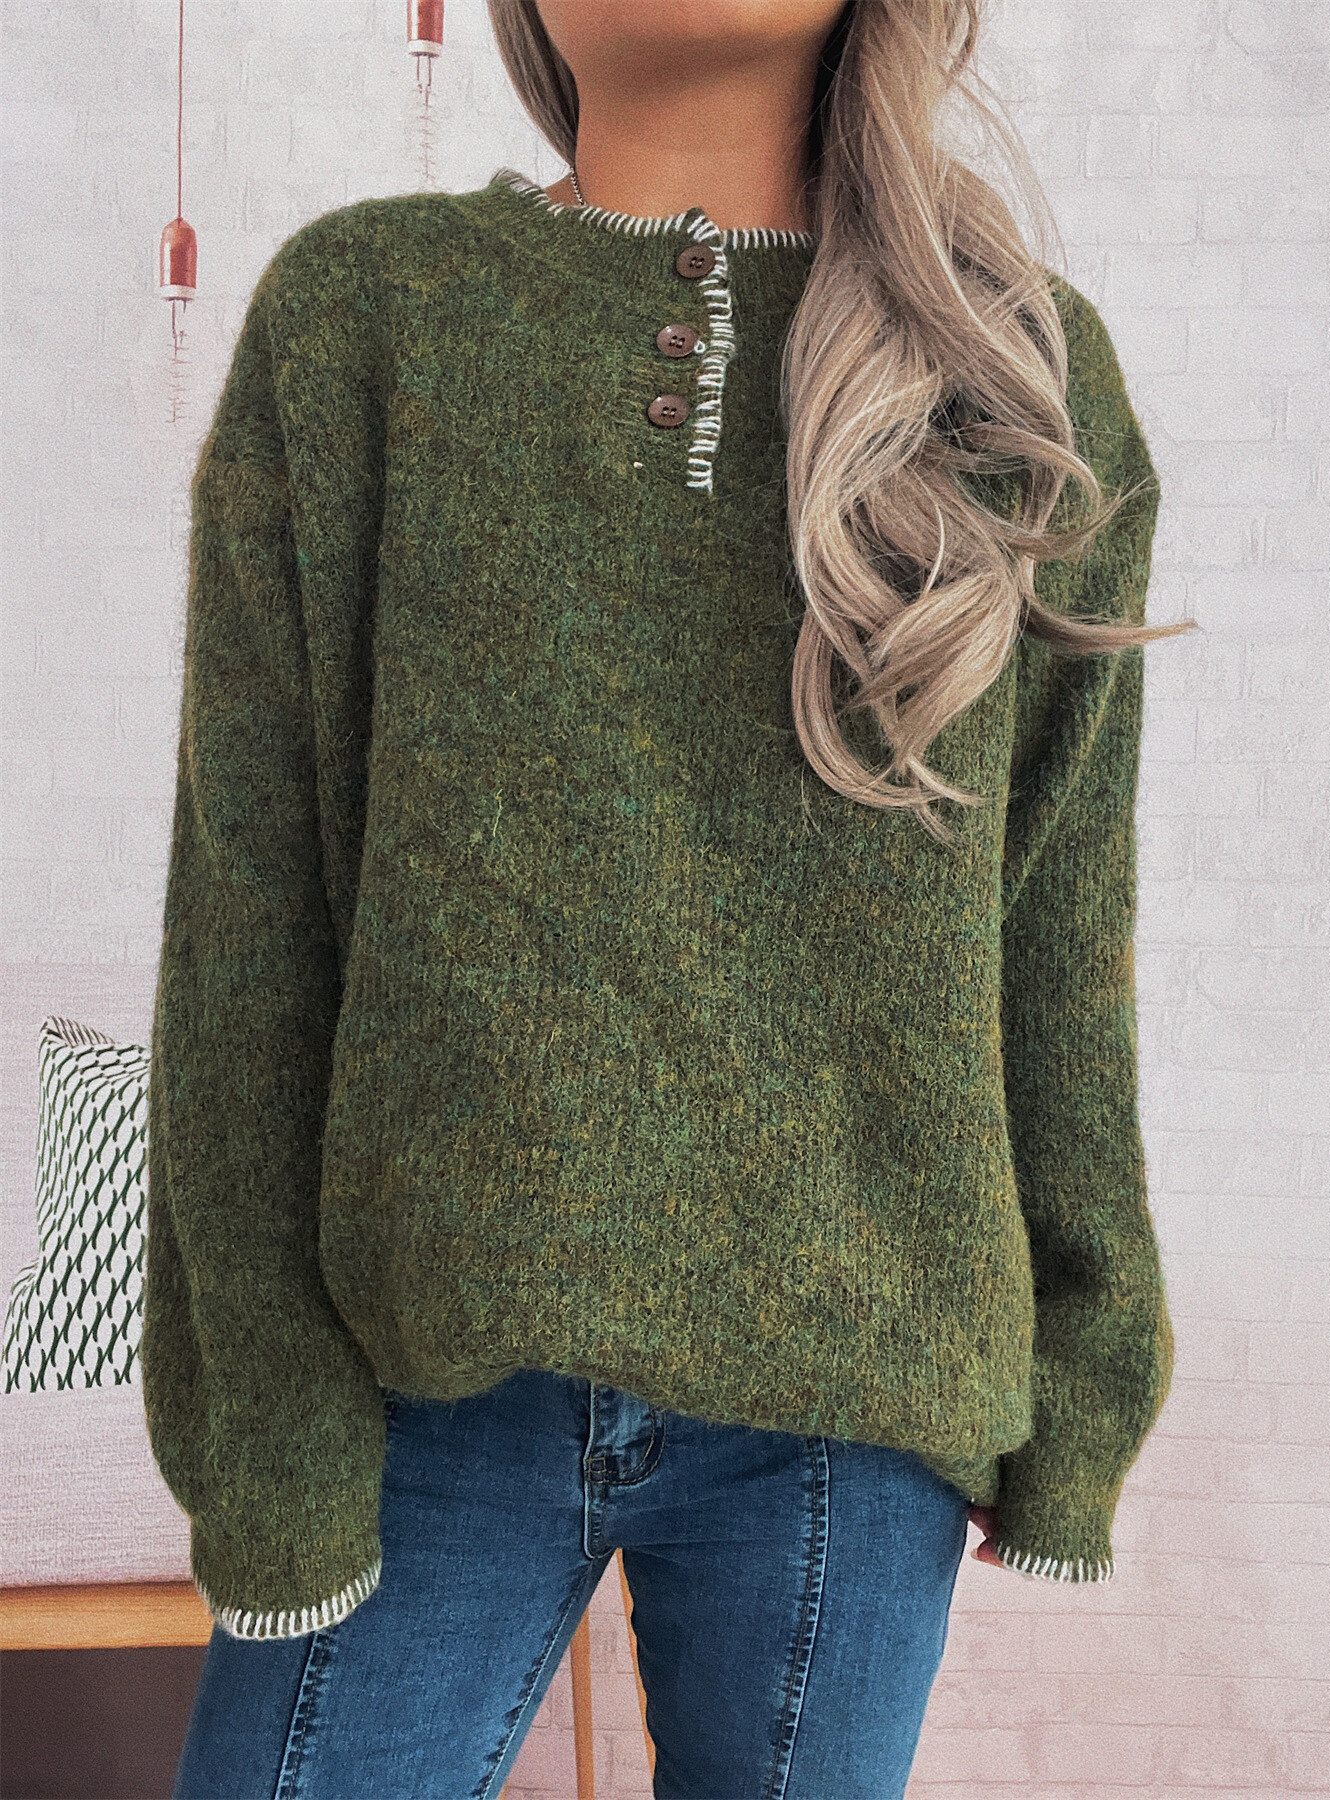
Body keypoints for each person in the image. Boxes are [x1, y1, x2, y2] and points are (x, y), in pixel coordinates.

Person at [145, 2, 1190, 1795]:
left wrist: (1086, 1361)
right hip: (414, 1384)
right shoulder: (368, 315)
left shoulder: (1015, 371)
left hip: (856, 1398)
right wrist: (266, 1429)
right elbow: (250, 927)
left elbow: (1056, 929)